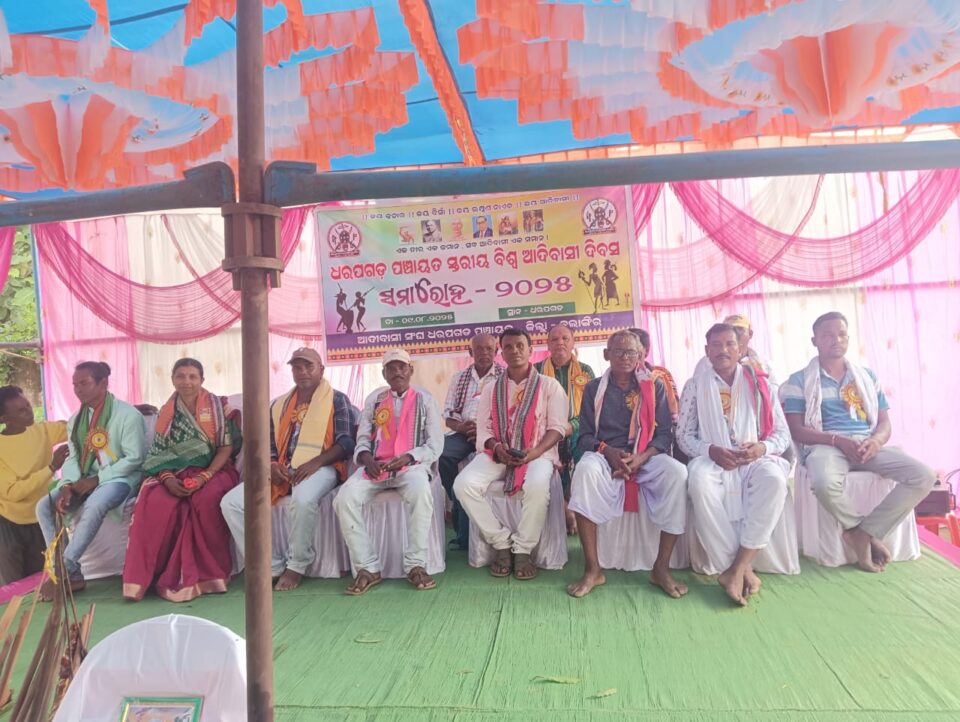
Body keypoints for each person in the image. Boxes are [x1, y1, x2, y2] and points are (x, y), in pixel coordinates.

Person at [779, 311, 936, 572]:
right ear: (814, 341)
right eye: (828, 335)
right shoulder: (799, 380)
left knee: (924, 476)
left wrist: (876, 441)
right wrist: (838, 440)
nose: (836, 340)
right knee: (824, 483)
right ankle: (854, 528)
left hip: (866, 444)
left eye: (842, 334)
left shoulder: (866, 376)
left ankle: (865, 532)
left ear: (848, 338)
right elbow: (796, 430)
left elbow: (884, 423)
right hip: (827, 445)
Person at [221, 348, 357, 591]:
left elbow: (346, 443)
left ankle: (296, 565)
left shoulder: (337, 399)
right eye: (297, 367)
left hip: (324, 467)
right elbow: (269, 445)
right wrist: (273, 464)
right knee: (231, 503)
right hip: (284, 470)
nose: (303, 372)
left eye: (309, 366)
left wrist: (315, 463)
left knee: (303, 499)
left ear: (321, 370)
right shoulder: (279, 404)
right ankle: (269, 565)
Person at [567, 331, 688, 599]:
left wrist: (642, 457)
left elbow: (664, 434)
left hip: (645, 456)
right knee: (585, 471)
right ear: (606, 354)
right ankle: (593, 569)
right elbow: (585, 436)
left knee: (677, 473)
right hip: (605, 455)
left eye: (631, 352)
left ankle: (661, 569)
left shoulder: (654, 386)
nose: (625, 357)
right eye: (618, 352)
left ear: (641, 355)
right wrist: (607, 451)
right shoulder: (593, 388)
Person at [677, 324, 792, 605]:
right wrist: (710, 450)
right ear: (707, 351)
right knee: (699, 483)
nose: (723, 350)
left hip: (753, 457)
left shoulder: (761, 383)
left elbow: (782, 434)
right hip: (712, 458)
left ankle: (736, 569)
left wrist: (762, 448)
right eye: (716, 345)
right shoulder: (695, 385)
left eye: (730, 344)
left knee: (775, 481)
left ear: (741, 349)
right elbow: (683, 436)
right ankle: (740, 568)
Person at [122, 359, 241, 602]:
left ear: (202, 380)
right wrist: (167, 479)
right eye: (181, 376)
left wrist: (204, 476)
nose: (187, 382)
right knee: (155, 502)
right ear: (173, 379)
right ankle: (146, 578)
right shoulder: (167, 412)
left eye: (192, 376)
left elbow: (226, 448)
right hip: (171, 472)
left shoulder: (218, 407)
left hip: (214, 469)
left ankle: (211, 575)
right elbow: (158, 453)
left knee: (206, 499)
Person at [454, 328, 566, 579]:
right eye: (508, 347)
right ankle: (501, 542)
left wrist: (534, 452)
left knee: (536, 486)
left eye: (520, 346)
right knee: (463, 485)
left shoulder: (550, 386)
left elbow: (557, 428)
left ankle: (523, 549)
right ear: (501, 353)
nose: (514, 351)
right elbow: (484, 428)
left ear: (531, 349)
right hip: (499, 453)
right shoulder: (492, 388)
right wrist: (497, 448)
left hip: (537, 453)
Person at [333, 349, 443, 595]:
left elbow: (435, 444)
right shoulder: (374, 399)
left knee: (421, 492)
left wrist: (409, 457)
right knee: (344, 498)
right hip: (376, 467)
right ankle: (367, 567)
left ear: (410, 370)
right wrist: (366, 459)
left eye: (402, 367)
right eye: (391, 368)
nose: (397, 372)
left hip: (410, 466)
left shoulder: (425, 399)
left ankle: (416, 564)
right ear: (384, 374)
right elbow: (362, 438)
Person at [36, 362, 146, 600]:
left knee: (96, 503)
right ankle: (73, 575)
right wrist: (67, 485)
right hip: (84, 479)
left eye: (84, 383)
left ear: (103, 383)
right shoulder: (76, 419)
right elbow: (73, 458)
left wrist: (96, 480)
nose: (78, 389)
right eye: (75, 384)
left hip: (121, 478)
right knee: (43, 506)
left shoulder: (128, 415)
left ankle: (65, 567)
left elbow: (135, 458)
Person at [440, 333, 504, 550]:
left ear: (496, 352)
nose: (484, 353)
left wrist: (485, 431)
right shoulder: (459, 377)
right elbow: (448, 415)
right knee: (442, 454)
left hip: (494, 433)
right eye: (479, 349)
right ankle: (456, 499)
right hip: (463, 431)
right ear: (470, 352)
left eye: (489, 349)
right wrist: (460, 427)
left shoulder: (505, 376)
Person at [0, 386, 68, 585]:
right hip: (9, 525)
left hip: (43, 519)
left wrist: (126, 411)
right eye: (21, 411)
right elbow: (13, 492)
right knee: (13, 589)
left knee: (48, 582)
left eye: (28, 405)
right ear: (4, 418)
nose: (29, 412)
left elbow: (84, 424)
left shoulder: (43, 430)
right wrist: (51, 467)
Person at [535, 323, 596, 534]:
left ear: (573, 342)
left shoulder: (586, 371)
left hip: (576, 428)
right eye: (554, 339)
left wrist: (571, 426)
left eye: (565, 338)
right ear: (547, 344)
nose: (560, 342)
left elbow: (591, 409)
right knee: (546, 458)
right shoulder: (536, 370)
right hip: (544, 431)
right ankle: (563, 511)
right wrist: (555, 429)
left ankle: (574, 507)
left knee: (584, 453)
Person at [630, 328, 680, 423]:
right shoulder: (618, 378)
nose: (628, 355)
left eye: (634, 350)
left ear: (646, 351)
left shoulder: (662, 374)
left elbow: (675, 410)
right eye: (624, 350)